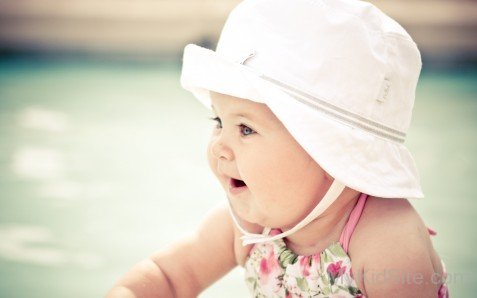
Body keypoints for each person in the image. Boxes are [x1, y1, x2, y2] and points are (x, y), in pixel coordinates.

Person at [107, 0, 450, 297]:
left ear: (329, 151)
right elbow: (170, 277)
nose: (220, 148)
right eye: (218, 122)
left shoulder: (386, 241)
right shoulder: (249, 226)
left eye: (245, 129)